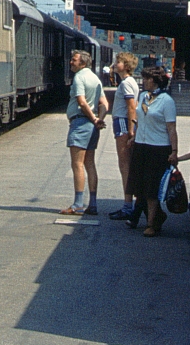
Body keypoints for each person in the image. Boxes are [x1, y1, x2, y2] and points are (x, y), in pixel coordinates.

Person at [126, 66, 178, 236]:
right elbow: (140, 119)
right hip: (141, 145)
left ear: (155, 81)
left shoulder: (166, 101)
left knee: (152, 188)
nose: (144, 81)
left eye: (147, 78)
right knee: (139, 186)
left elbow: (171, 128)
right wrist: (134, 137)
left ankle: (151, 224)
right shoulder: (143, 96)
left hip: (158, 148)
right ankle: (157, 217)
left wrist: (174, 151)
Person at [60, 50, 108, 216]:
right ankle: (92, 204)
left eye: (74, 60)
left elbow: (81, 101)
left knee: (77, 164)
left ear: (82, 63)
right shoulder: (95, 78)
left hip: (80, 123)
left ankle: (78, 203)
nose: (71, 62)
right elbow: (104, 103)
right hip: (92, 126)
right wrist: (99, 119)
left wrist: (94, 119)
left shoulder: (79, 77)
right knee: (90, 164)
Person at [107, 52, 140, 220]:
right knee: (127, 164)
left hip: (122, 123)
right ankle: (131, 204)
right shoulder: (129, 82)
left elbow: (131, 107)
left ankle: (128, 206)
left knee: (124, 164)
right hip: (123, 122)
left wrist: (131, 129)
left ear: (126, 66)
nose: (115, 64)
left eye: (118, 61)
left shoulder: (126, 83)